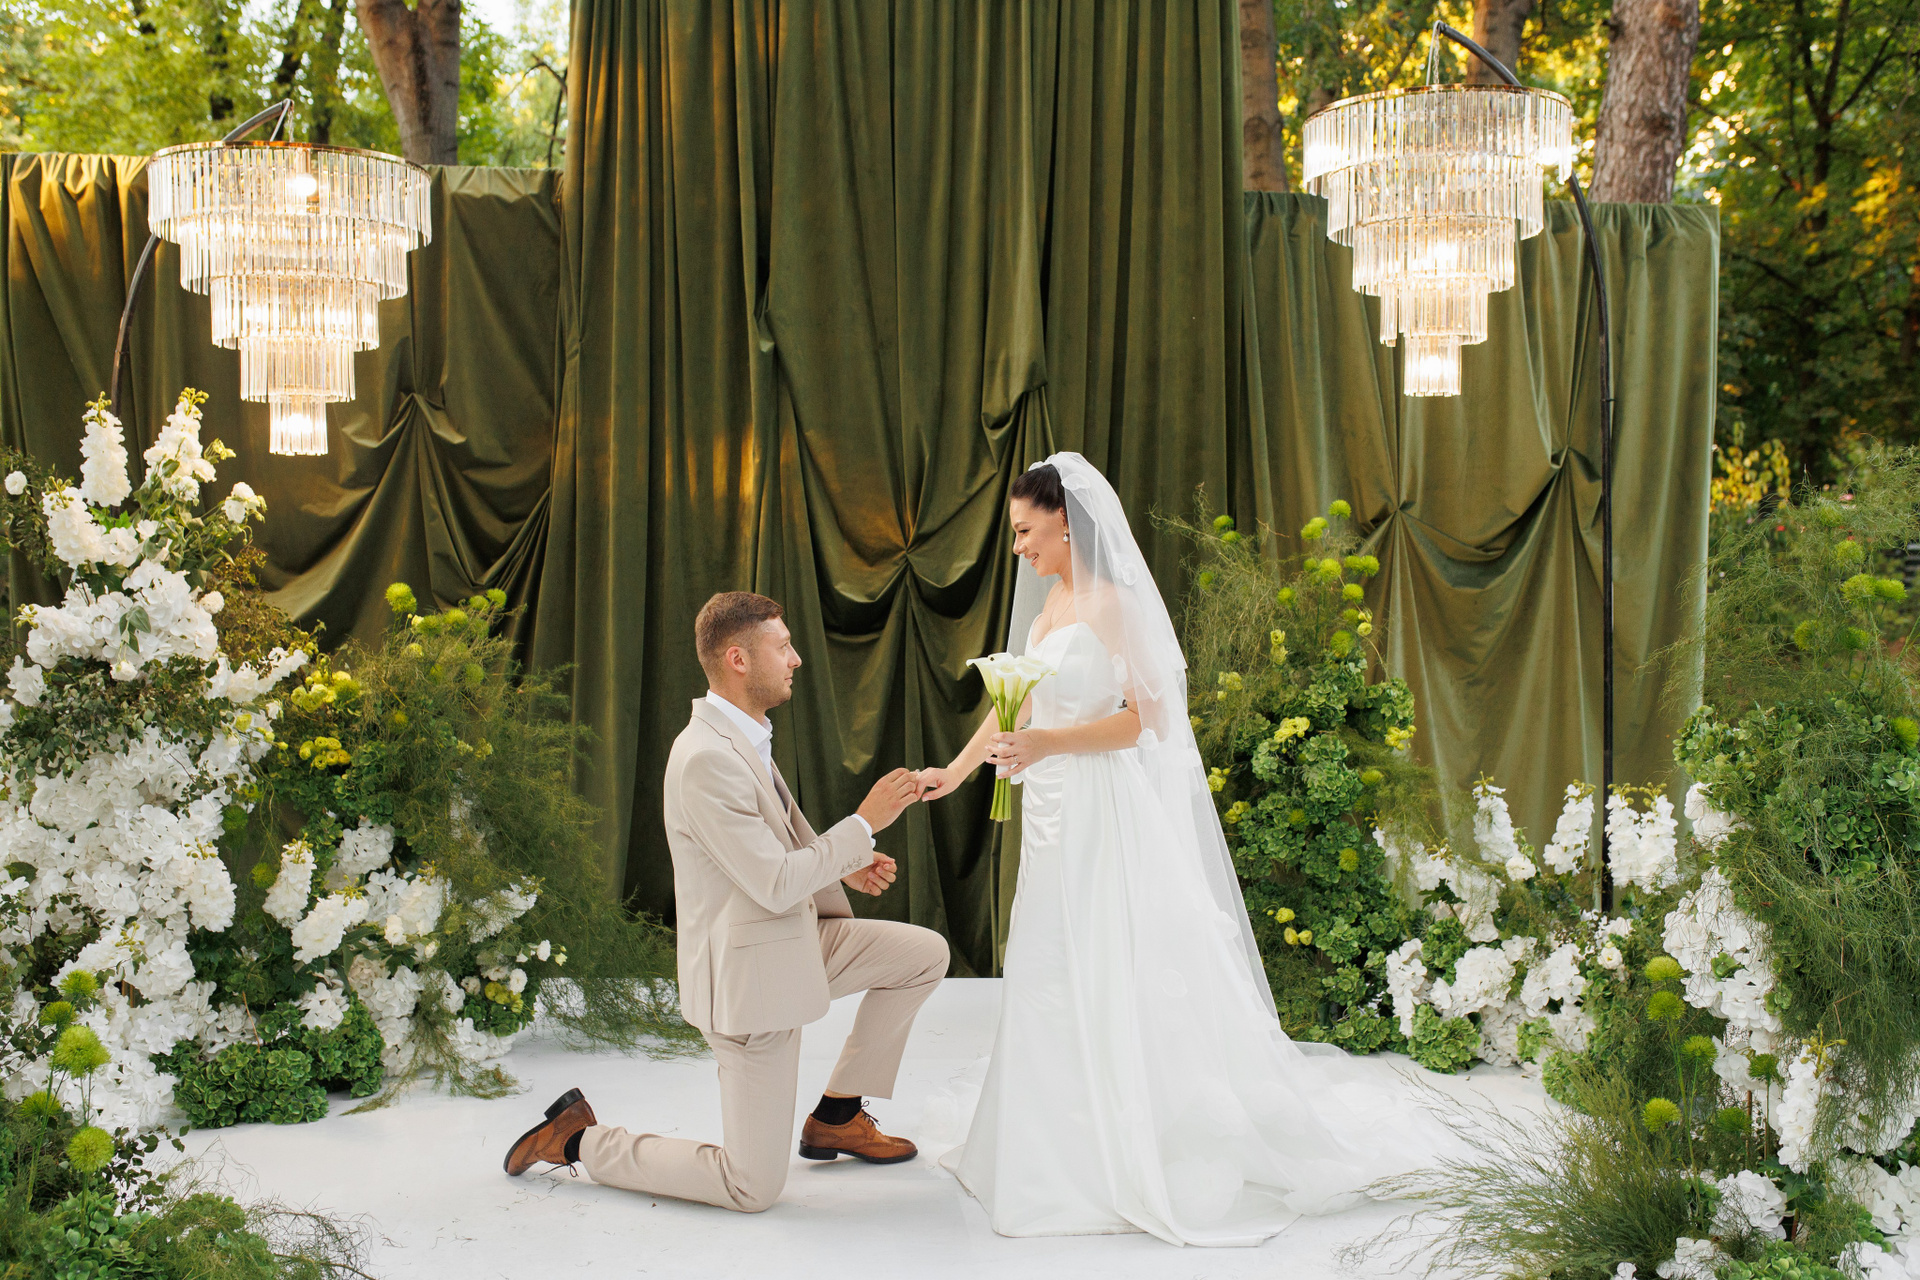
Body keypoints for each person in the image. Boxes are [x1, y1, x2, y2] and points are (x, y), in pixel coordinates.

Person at [917, 454, 1456, 1246]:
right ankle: (1048, 1144)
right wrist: (956, 771)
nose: (1019, 548)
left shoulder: (1113, 606)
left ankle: (1126, 1142)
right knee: (1048, 961)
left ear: (1066, 522)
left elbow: (1148, 720)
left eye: (1027, 532)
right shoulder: (1046, 609)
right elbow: (1013, 709)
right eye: (1016, 535)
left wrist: (1048, 744)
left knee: (1110, 960)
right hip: (1052, 814)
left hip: (1102, 808)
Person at [503, 591, 949, 1213]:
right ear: (739, 659)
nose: (796, 659)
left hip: (793, 939)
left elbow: (767, 852)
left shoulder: (743, 735)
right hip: (750, 981)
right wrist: (863, 824)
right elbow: (773, 883)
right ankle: (578, 1140)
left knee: (924, 955)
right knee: (752, 1187)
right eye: (783, 647)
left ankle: (838, 1116)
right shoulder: (706, 759)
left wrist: (846, 864)